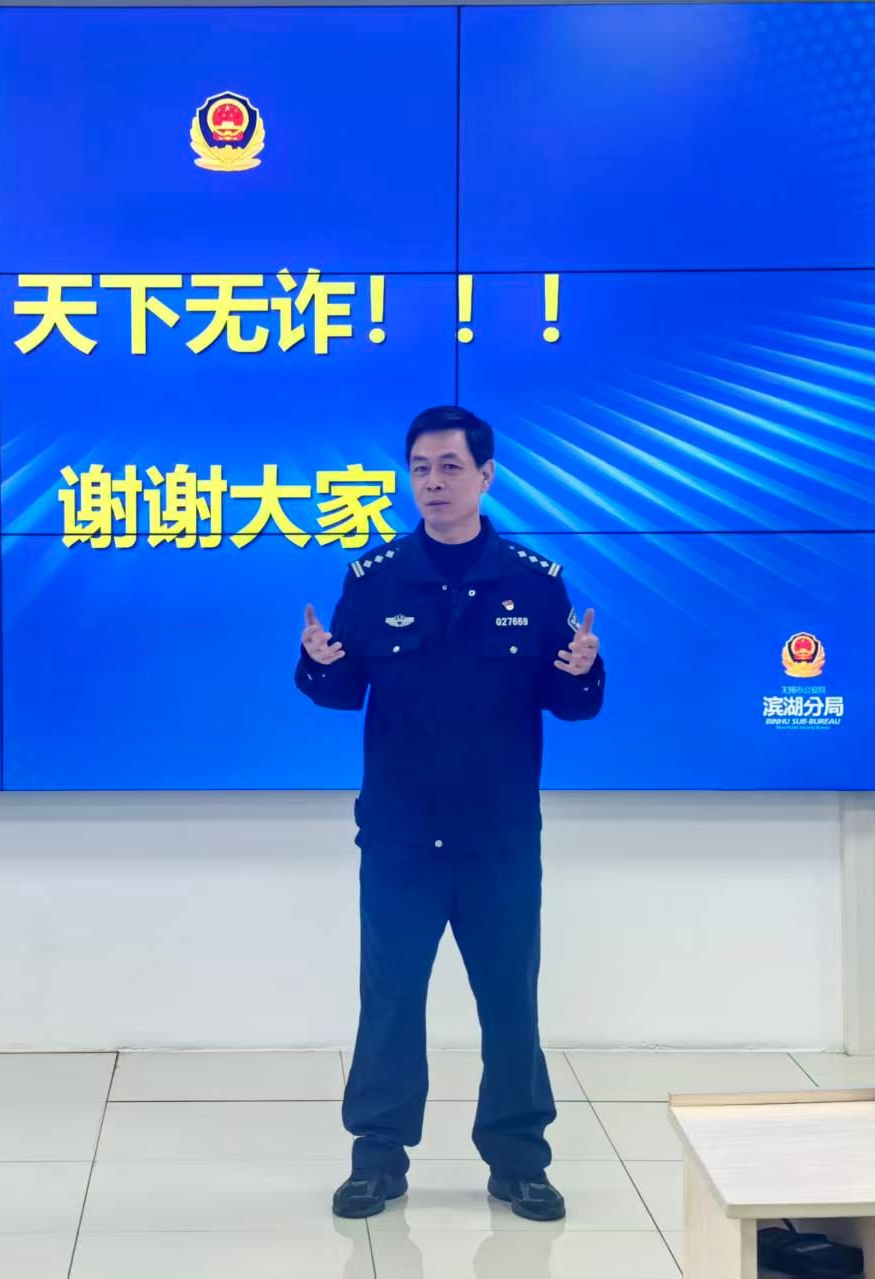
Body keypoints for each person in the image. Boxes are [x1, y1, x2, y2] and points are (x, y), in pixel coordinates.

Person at [295, 405, 605, 1222]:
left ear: (485, 475)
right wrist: (316, 660)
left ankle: (519, 1160)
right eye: (421, 468)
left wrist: (581, 668)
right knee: (391, 999)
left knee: (509, 1001)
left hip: (498, 836)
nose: (433, 482)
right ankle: (377, 1158)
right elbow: (342, 689)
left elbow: (569, 701)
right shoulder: (375, 577)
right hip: (400, 834)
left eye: (450, 467)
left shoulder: (534, 582)